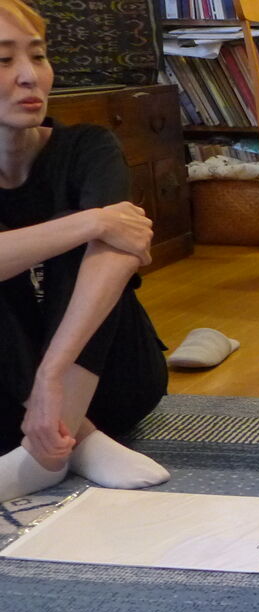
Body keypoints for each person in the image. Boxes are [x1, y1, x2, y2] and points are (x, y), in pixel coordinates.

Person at [0, 0, 170, 503]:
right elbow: (105, 224)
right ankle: (80, 440)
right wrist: (89, 220)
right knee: (90, 229)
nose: (30, 76)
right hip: (8, 396)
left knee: (101, 252)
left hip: (111, 380)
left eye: (38, 55)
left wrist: (52, 375)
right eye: (3, 60)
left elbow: (123, 250)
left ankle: (43, 455)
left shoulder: (88, 147)